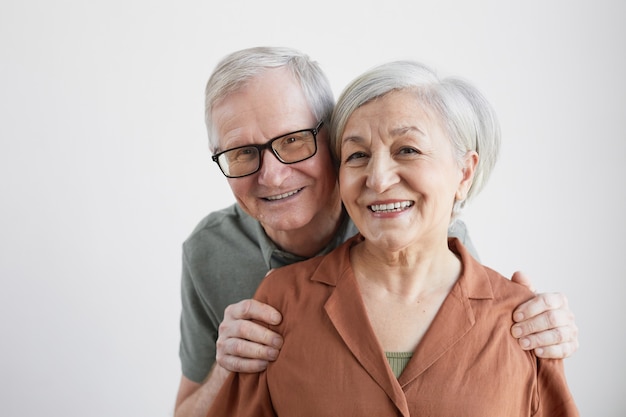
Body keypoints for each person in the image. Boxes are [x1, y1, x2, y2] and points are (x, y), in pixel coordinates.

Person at [174, 47, 578, 417]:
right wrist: (226, 366)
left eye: (293, 141)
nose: (273, 175)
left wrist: (544, 327)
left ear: (329, 139)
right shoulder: (210, 252)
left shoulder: (414, 223)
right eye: (243, 153)